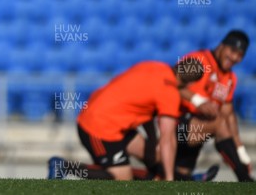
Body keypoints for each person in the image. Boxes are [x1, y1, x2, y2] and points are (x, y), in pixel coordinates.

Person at [48, 58, 204, 181]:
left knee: (154, 155)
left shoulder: (154, 66)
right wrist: (169, 180)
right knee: (121, 179)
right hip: (98, 126)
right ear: (190, 84)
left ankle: (183, 179)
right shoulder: (169, 94)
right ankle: (65, 167)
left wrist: (151, 140)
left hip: (111, 119)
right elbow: (167, 139)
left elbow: (144, 105)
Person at [174, 30, 254, 182]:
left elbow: (229, 114)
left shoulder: (230, 78)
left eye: (240, 55)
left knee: (176, 179)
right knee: (219, 124)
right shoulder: (199, 60)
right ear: (222, 46)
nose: (235, 58)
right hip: (175, 125)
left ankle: (184, 177)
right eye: (232, 51)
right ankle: (246, 181)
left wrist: (240, 151)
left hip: (196, 131)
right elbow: (171, 83)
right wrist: (198, 101)